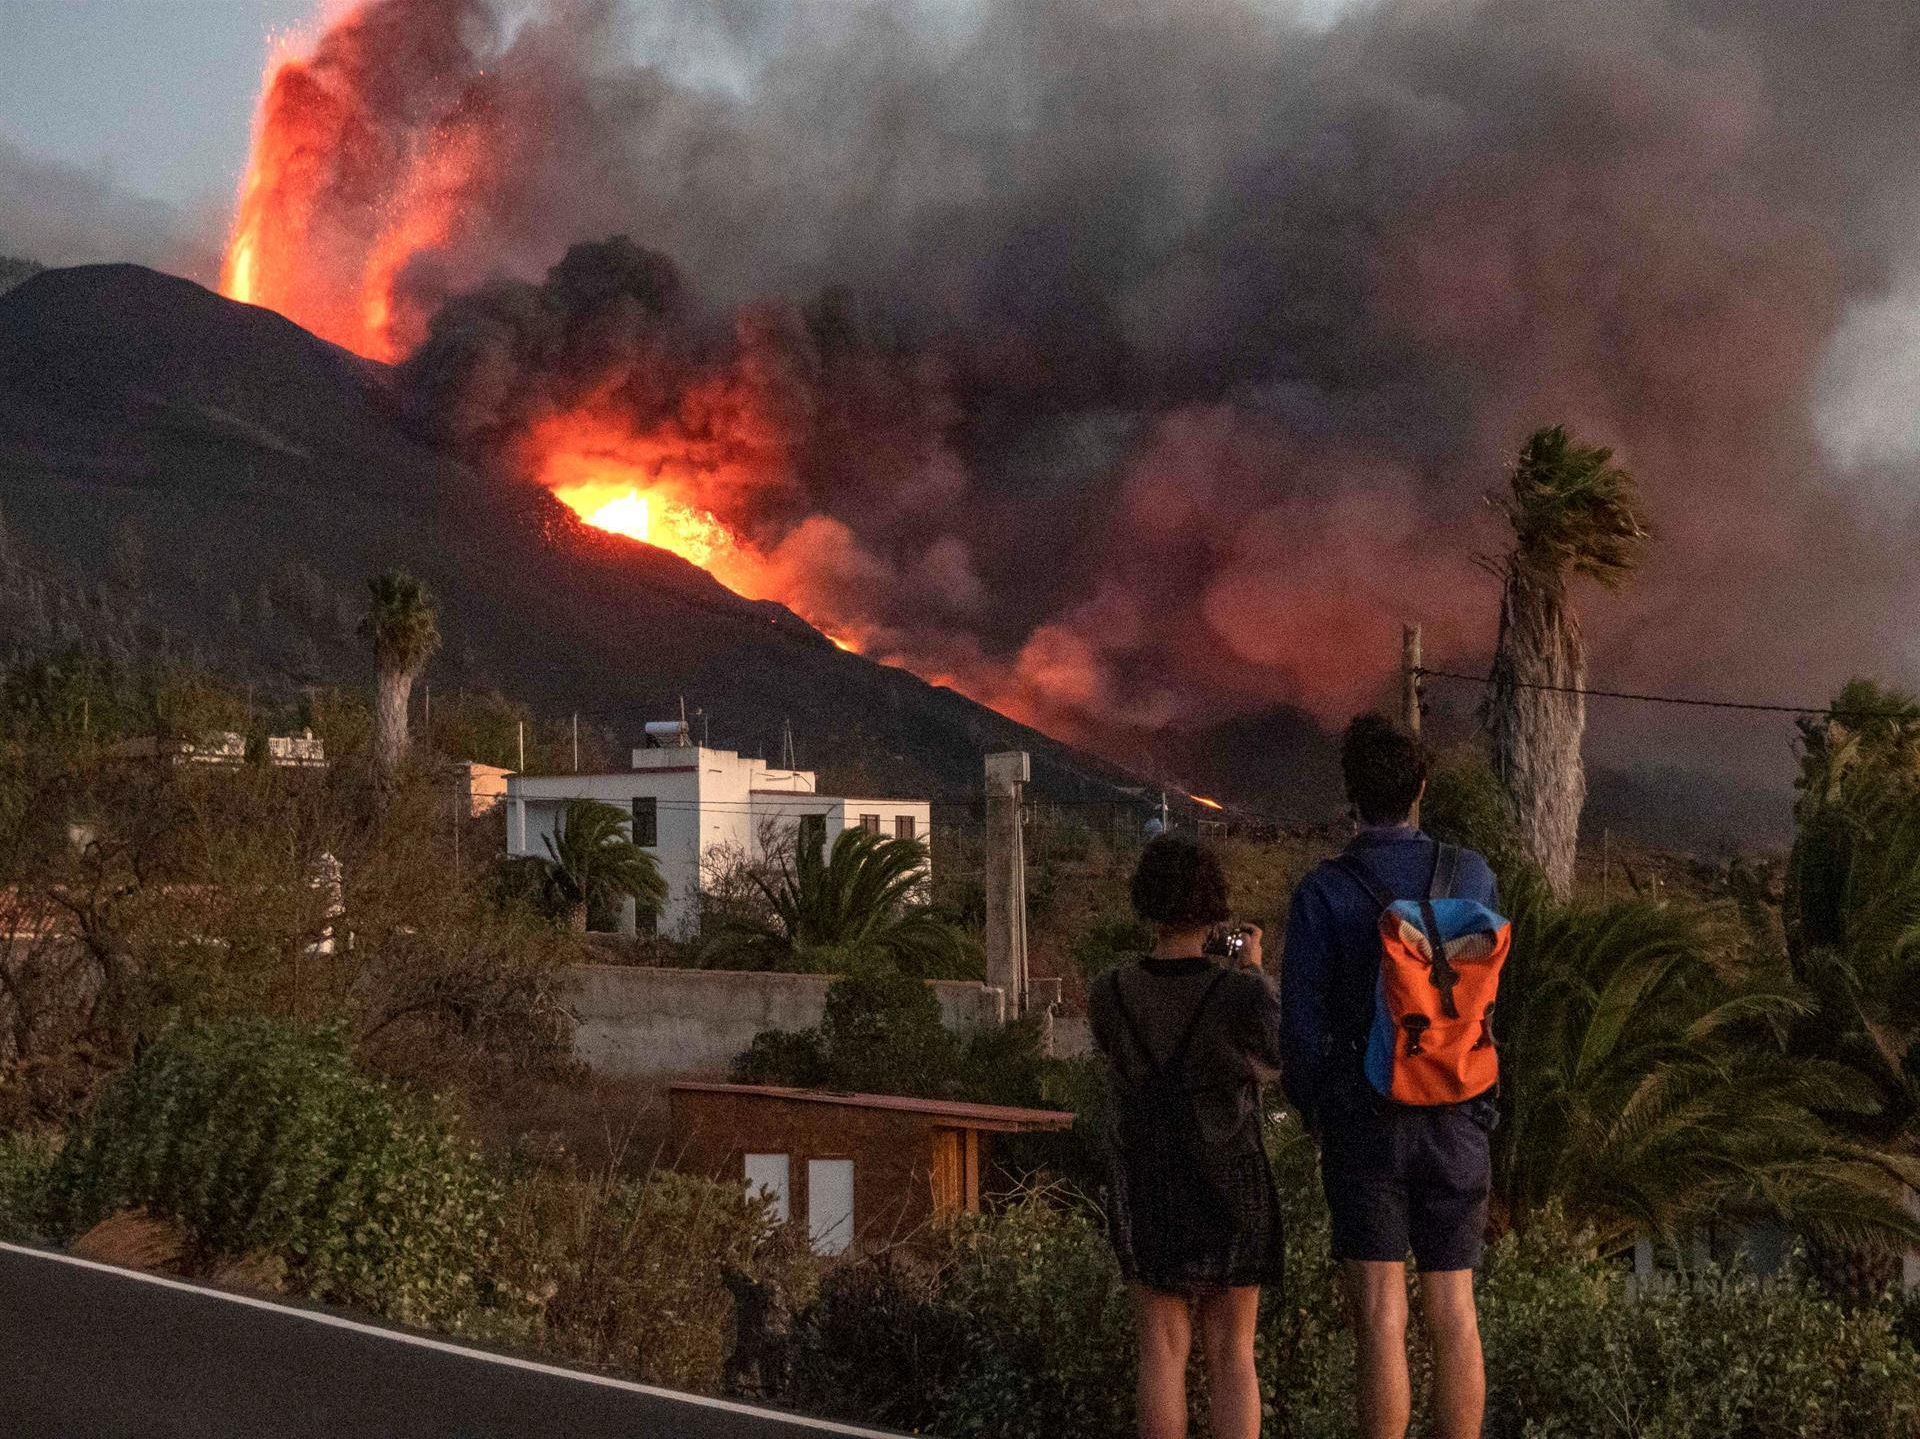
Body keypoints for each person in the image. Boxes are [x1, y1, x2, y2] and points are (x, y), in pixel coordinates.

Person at [1280, 714, 1500, 1439]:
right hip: (1460, 1110)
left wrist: (1321, 1111)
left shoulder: (1322, 892)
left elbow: (1301, 1033)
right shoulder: (1471, 874)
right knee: (1455, 1311)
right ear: (1422, 789)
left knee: (1380, 1316)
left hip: (1365, 1117)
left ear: (1351, 794)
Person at [1091, 835, 1283, 1439]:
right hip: (1232, 1181)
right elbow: (1281, 1054)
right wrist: (1254, 970)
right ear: (1212, 907)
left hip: (1149, 1180)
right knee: (1232, 1352)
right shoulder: (1238, 992)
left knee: (1162, 1350)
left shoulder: (1111, 993)